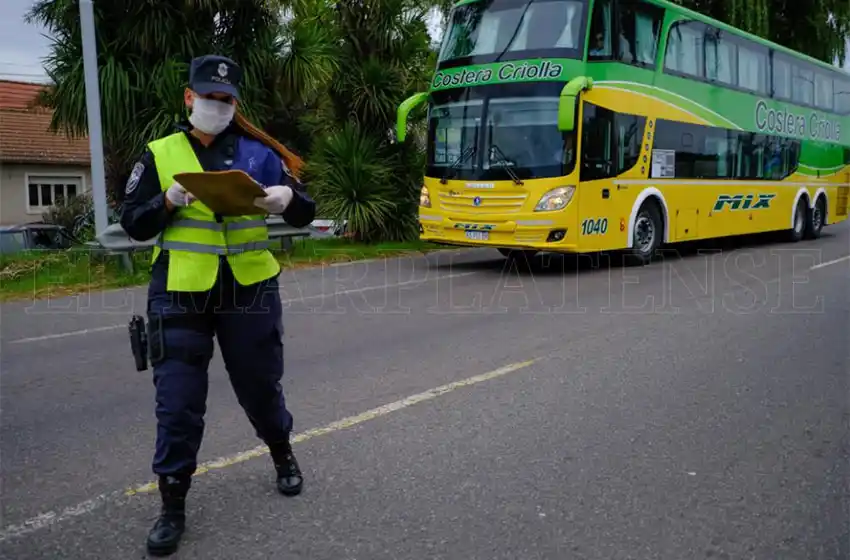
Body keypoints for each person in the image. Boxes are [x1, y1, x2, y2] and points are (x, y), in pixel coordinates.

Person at [120, 54, 315, 557]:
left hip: (248, 289)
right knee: (178, 403)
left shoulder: (259, 154)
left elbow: (305, 212)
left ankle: (282, 454)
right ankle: (172, 506)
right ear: (190, 97)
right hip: (180, 292)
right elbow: (133, 222)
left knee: (260, 386)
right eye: (209, 97)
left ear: (235, 103)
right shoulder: (160, 153)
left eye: (226, 99)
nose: (218, 106)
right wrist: (168, 200)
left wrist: (285, 199)